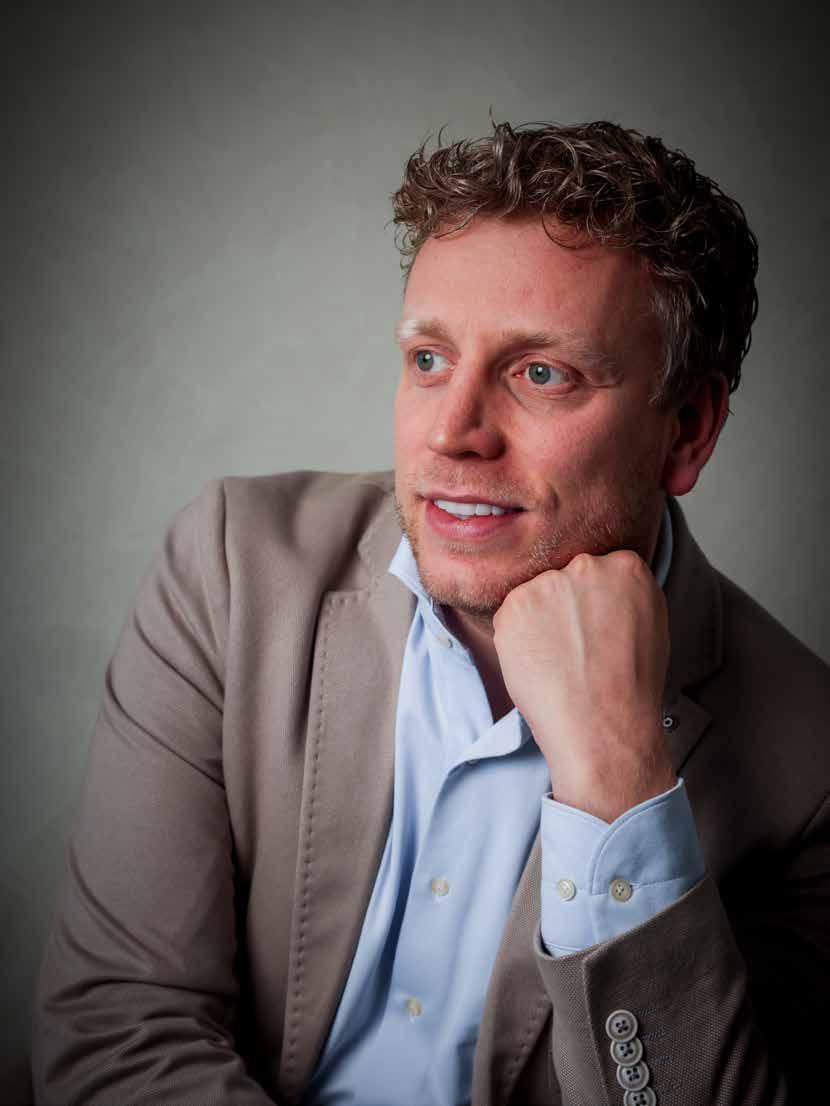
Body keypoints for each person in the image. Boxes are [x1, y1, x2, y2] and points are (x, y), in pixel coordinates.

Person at [33, 120, 829, 1106]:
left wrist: (617, 776)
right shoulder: (230, 567)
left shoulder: (809, 763)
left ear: (687, 429)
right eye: (427, 359)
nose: (452, 432)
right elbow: (119, 1028)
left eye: (541, 373)